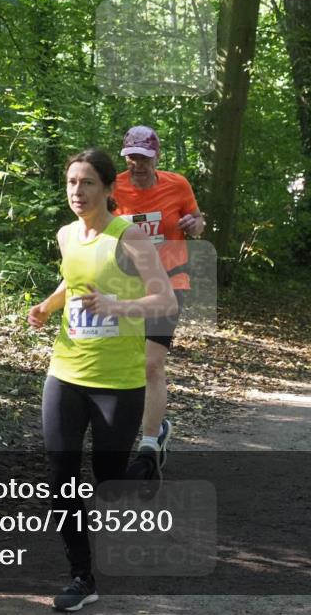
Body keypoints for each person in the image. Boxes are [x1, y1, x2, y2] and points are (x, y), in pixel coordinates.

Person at [27, 148, 177, 611]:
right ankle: (81, 577)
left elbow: (165, 300)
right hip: (66, 372)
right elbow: (73, 283)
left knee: (110, 481)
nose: (77, 191)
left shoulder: (128, 237)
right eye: (72, 182)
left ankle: (149, 459)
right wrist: (47, 307)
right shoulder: (66, 235)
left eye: (88, 182)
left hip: (119, 379)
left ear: (109, 189)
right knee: (60, 479)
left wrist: (120, 308)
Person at [112, 125, 204, 482]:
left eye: (144, 158)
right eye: (132, 157)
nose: (137, 164)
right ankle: (149, 428)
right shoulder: (113, 186)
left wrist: (195, 223)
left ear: (157, 158)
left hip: (170, 283)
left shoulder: (177, 185)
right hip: (124, 285)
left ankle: (149, 445)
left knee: (152, 363)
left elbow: (197, 222)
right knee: (126, 364)